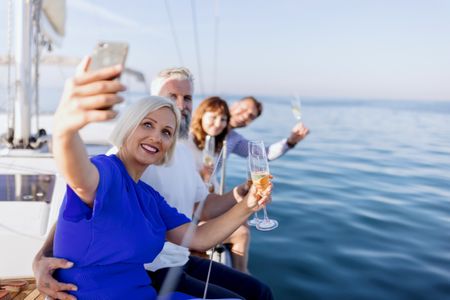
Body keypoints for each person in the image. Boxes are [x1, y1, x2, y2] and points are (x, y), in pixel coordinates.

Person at [33, 67, 274, 300]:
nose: (157, 136)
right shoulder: (109, 167)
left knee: (256, 293)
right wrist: (64, 130)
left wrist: (249, 204)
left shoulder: (154, 189)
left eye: (166, 132)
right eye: (147, 124)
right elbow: (79, 184)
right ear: (132, 121)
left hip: (168, 269)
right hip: (155, 272)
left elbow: (200, 232)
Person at [227, 96, 310, 161]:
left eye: (251, 116)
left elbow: (263, 154)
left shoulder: (233, 139)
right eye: (243, 109)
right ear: (234, 105)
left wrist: (290, 142)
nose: (245, 116)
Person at [188, 96, 230, 188]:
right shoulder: (186, 140)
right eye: (213, 117)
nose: (218, 124)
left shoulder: (214, 142)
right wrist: (201, 174)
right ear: (201, 116)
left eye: (223, 119)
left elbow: (210, 181)